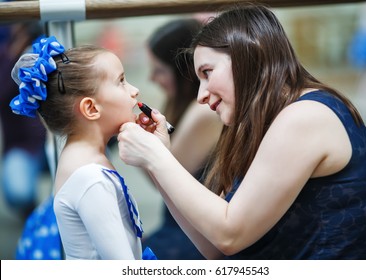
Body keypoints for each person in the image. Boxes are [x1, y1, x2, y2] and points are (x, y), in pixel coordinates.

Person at [117, 3, 366, 259]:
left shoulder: (305, 117)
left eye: (208, 72)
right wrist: (161, 157)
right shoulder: (264, 122)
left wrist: (157, 158)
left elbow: (229, 235)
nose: (200, 96)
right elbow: (214, 247)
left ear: (248, 56)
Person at [10, 36, 155, 260]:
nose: (134, 90)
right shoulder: (91, 179)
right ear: (90, 108)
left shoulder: (81, 158)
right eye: (122, 81)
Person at [142, 18, 222, 259]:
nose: (151, 79)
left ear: (183, 72)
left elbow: (164, 177)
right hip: (183, 224)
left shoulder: (204, 113)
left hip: (194, 234)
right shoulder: (183, 105)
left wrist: (128, 140)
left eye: (159, 70)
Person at [0, 22, 48, 219]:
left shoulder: (50, 51)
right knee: (19, 193)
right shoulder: (5, 55)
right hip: (22, 146)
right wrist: (14, 57)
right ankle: (31, 216)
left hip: (55, 138)